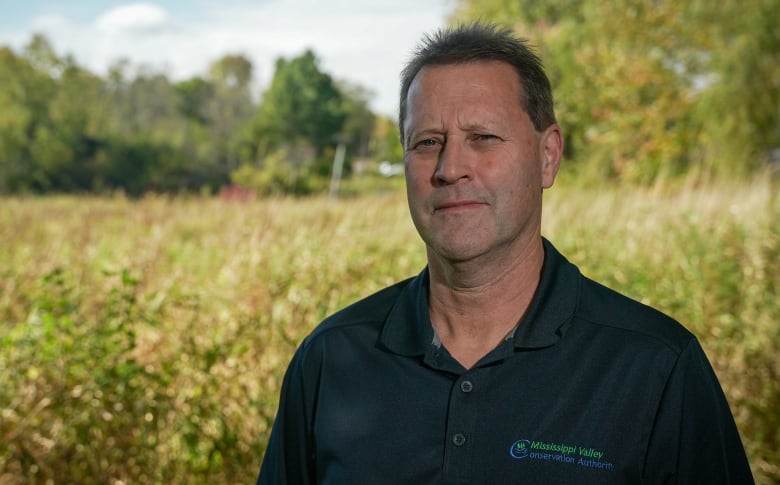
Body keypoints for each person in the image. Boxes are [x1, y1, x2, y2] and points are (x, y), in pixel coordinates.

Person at [256, 23, 753, 484]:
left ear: (547, 156)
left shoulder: (655, 367)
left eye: (483, 138)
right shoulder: (330, 358)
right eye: (428, 141)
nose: (451, 168)